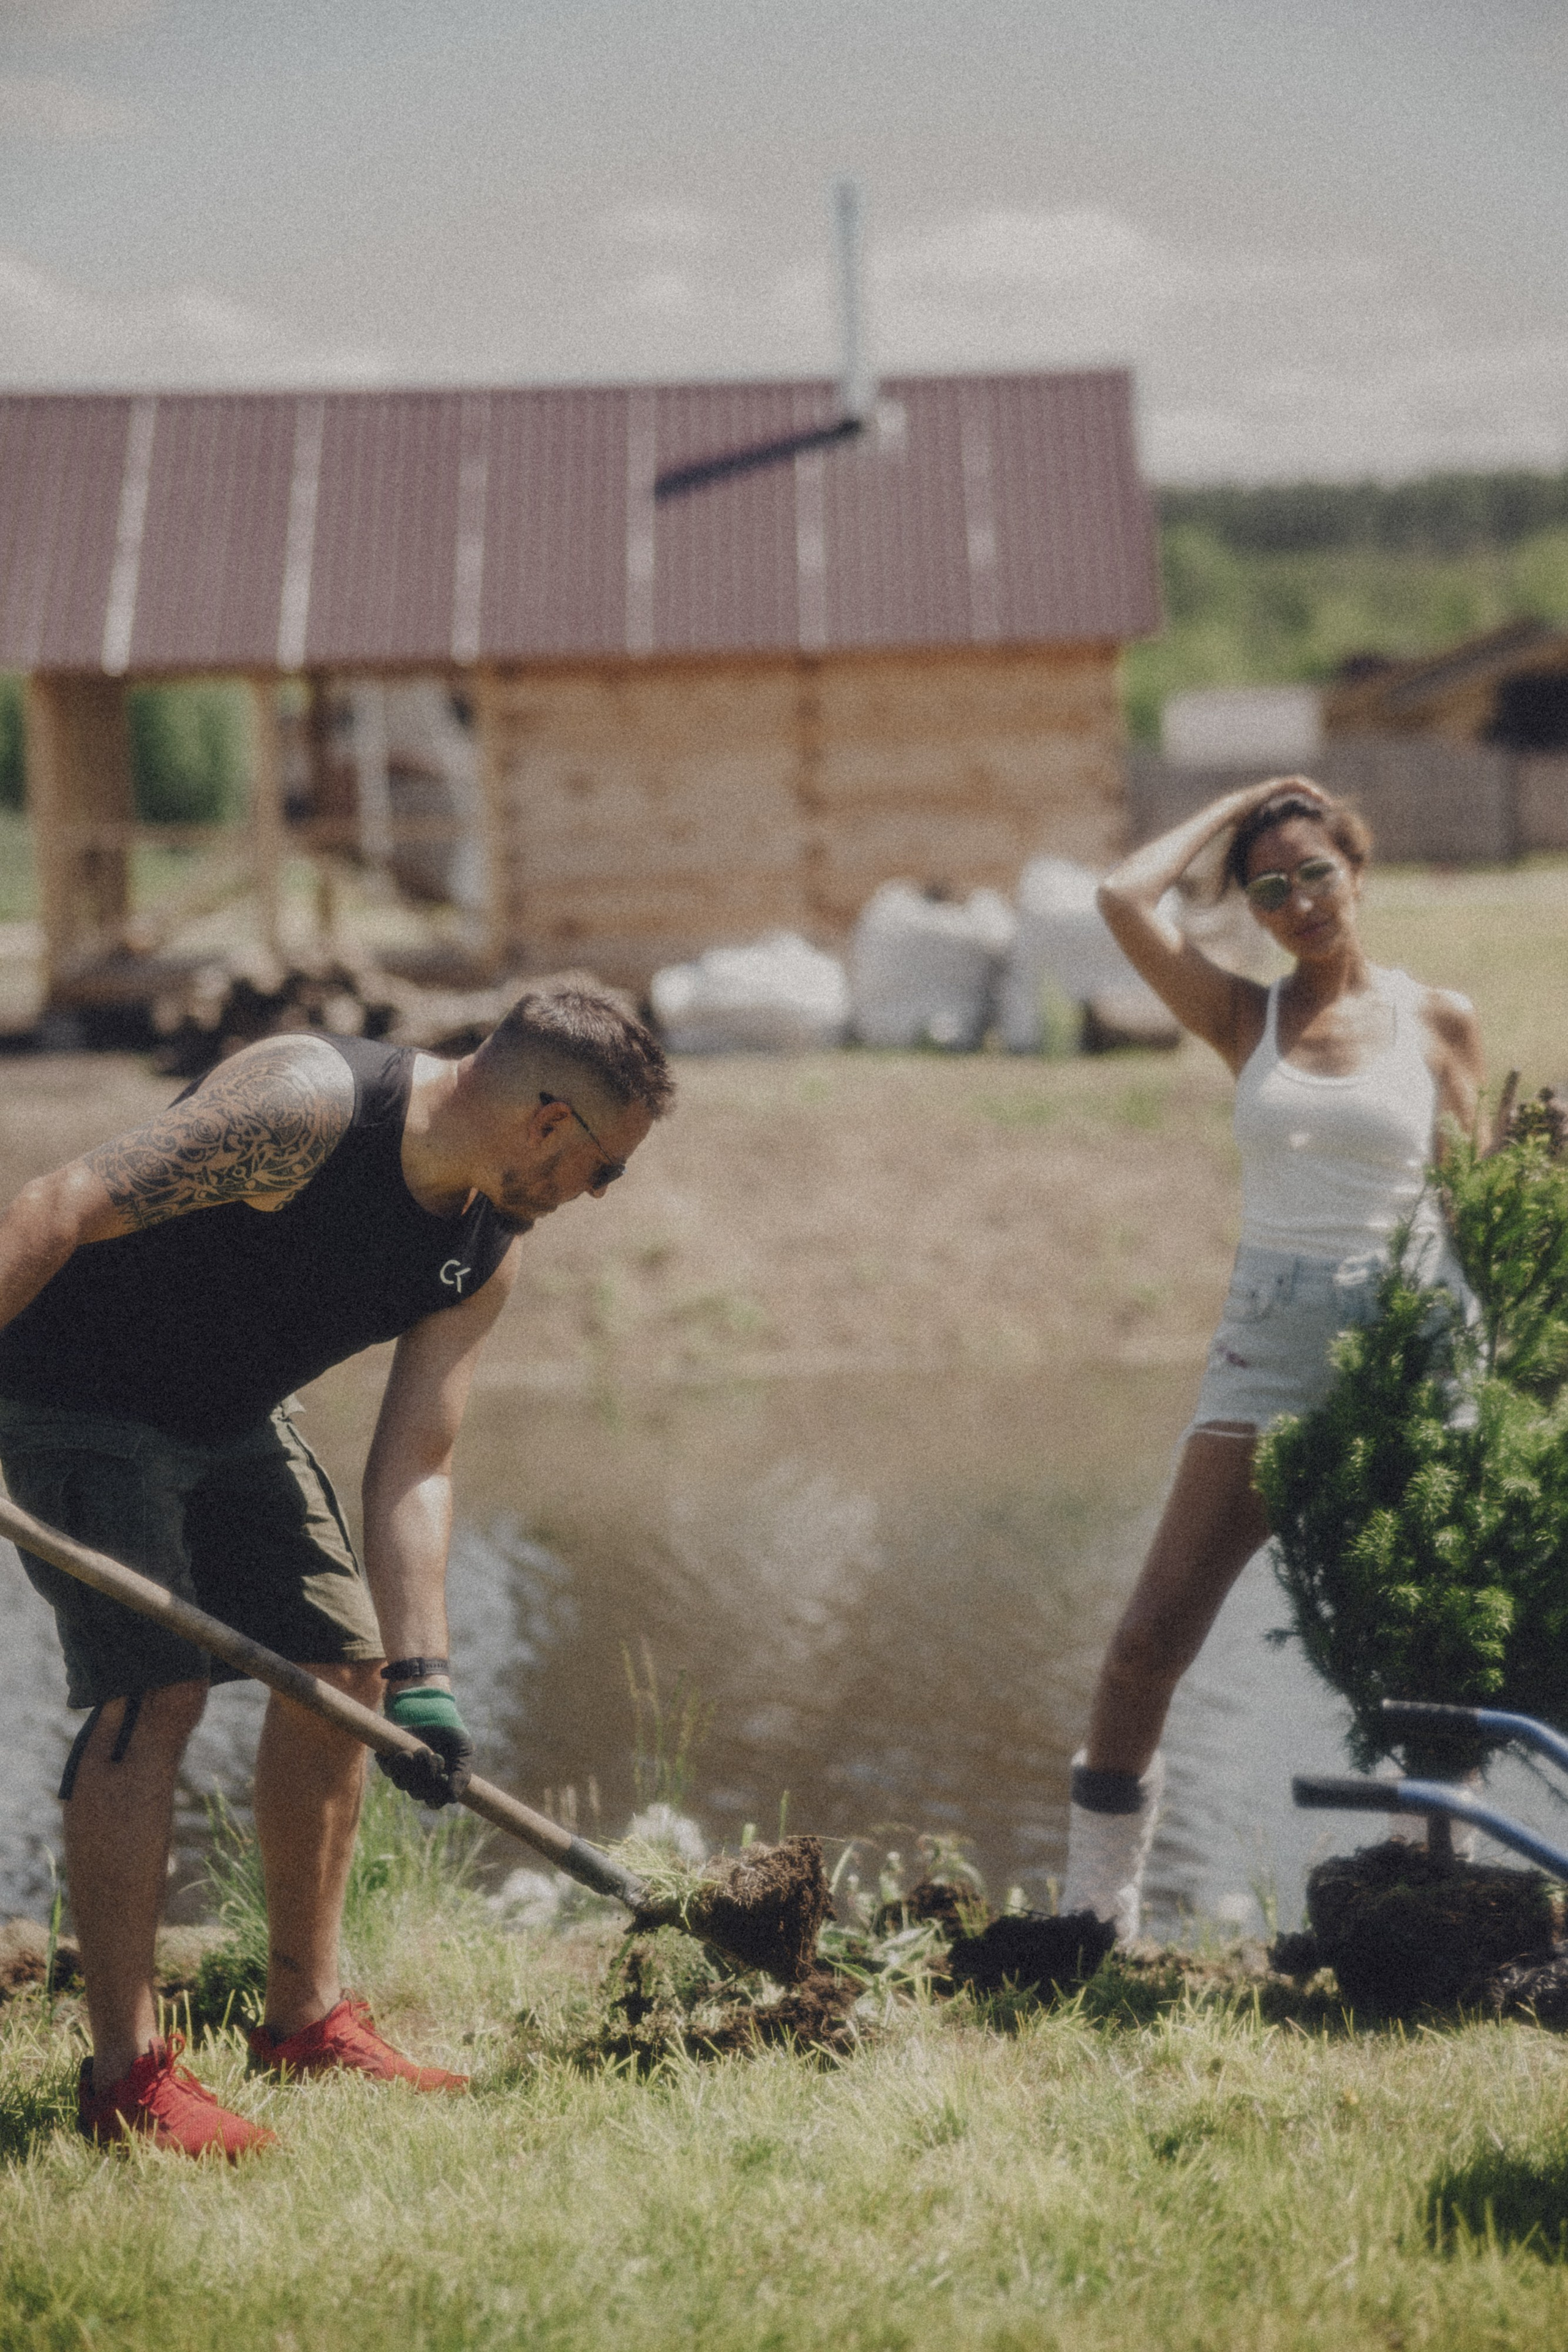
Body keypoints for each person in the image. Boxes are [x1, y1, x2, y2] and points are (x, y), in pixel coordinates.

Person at [0, 988, 673, 2155]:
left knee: (346, 1673)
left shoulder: (483, 1246)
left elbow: (416, 1463)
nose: (592, 1199)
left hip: (234, 1415)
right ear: (551, 1126)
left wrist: (429, 1678)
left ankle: (304, 2023)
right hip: (77, 1396)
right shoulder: (309, 1106)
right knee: (152, 1692)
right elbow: (53, 1206)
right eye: (604, 1171)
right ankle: (126, 2080)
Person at [1060, 779, 1484, 1943]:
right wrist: (1252, 797)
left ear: (1359, 869)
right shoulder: (1242, 1017)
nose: (1297, 900)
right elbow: (1119, 893)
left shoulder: (1437, 1020)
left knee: (1427, 1635)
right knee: (1152, 1635)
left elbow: (1473, 1201)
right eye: (1269, 887)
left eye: (1316, 871)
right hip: (1269, 1342)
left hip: (1415, 1340)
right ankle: (1094, 1912)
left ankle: (1425, 1890)